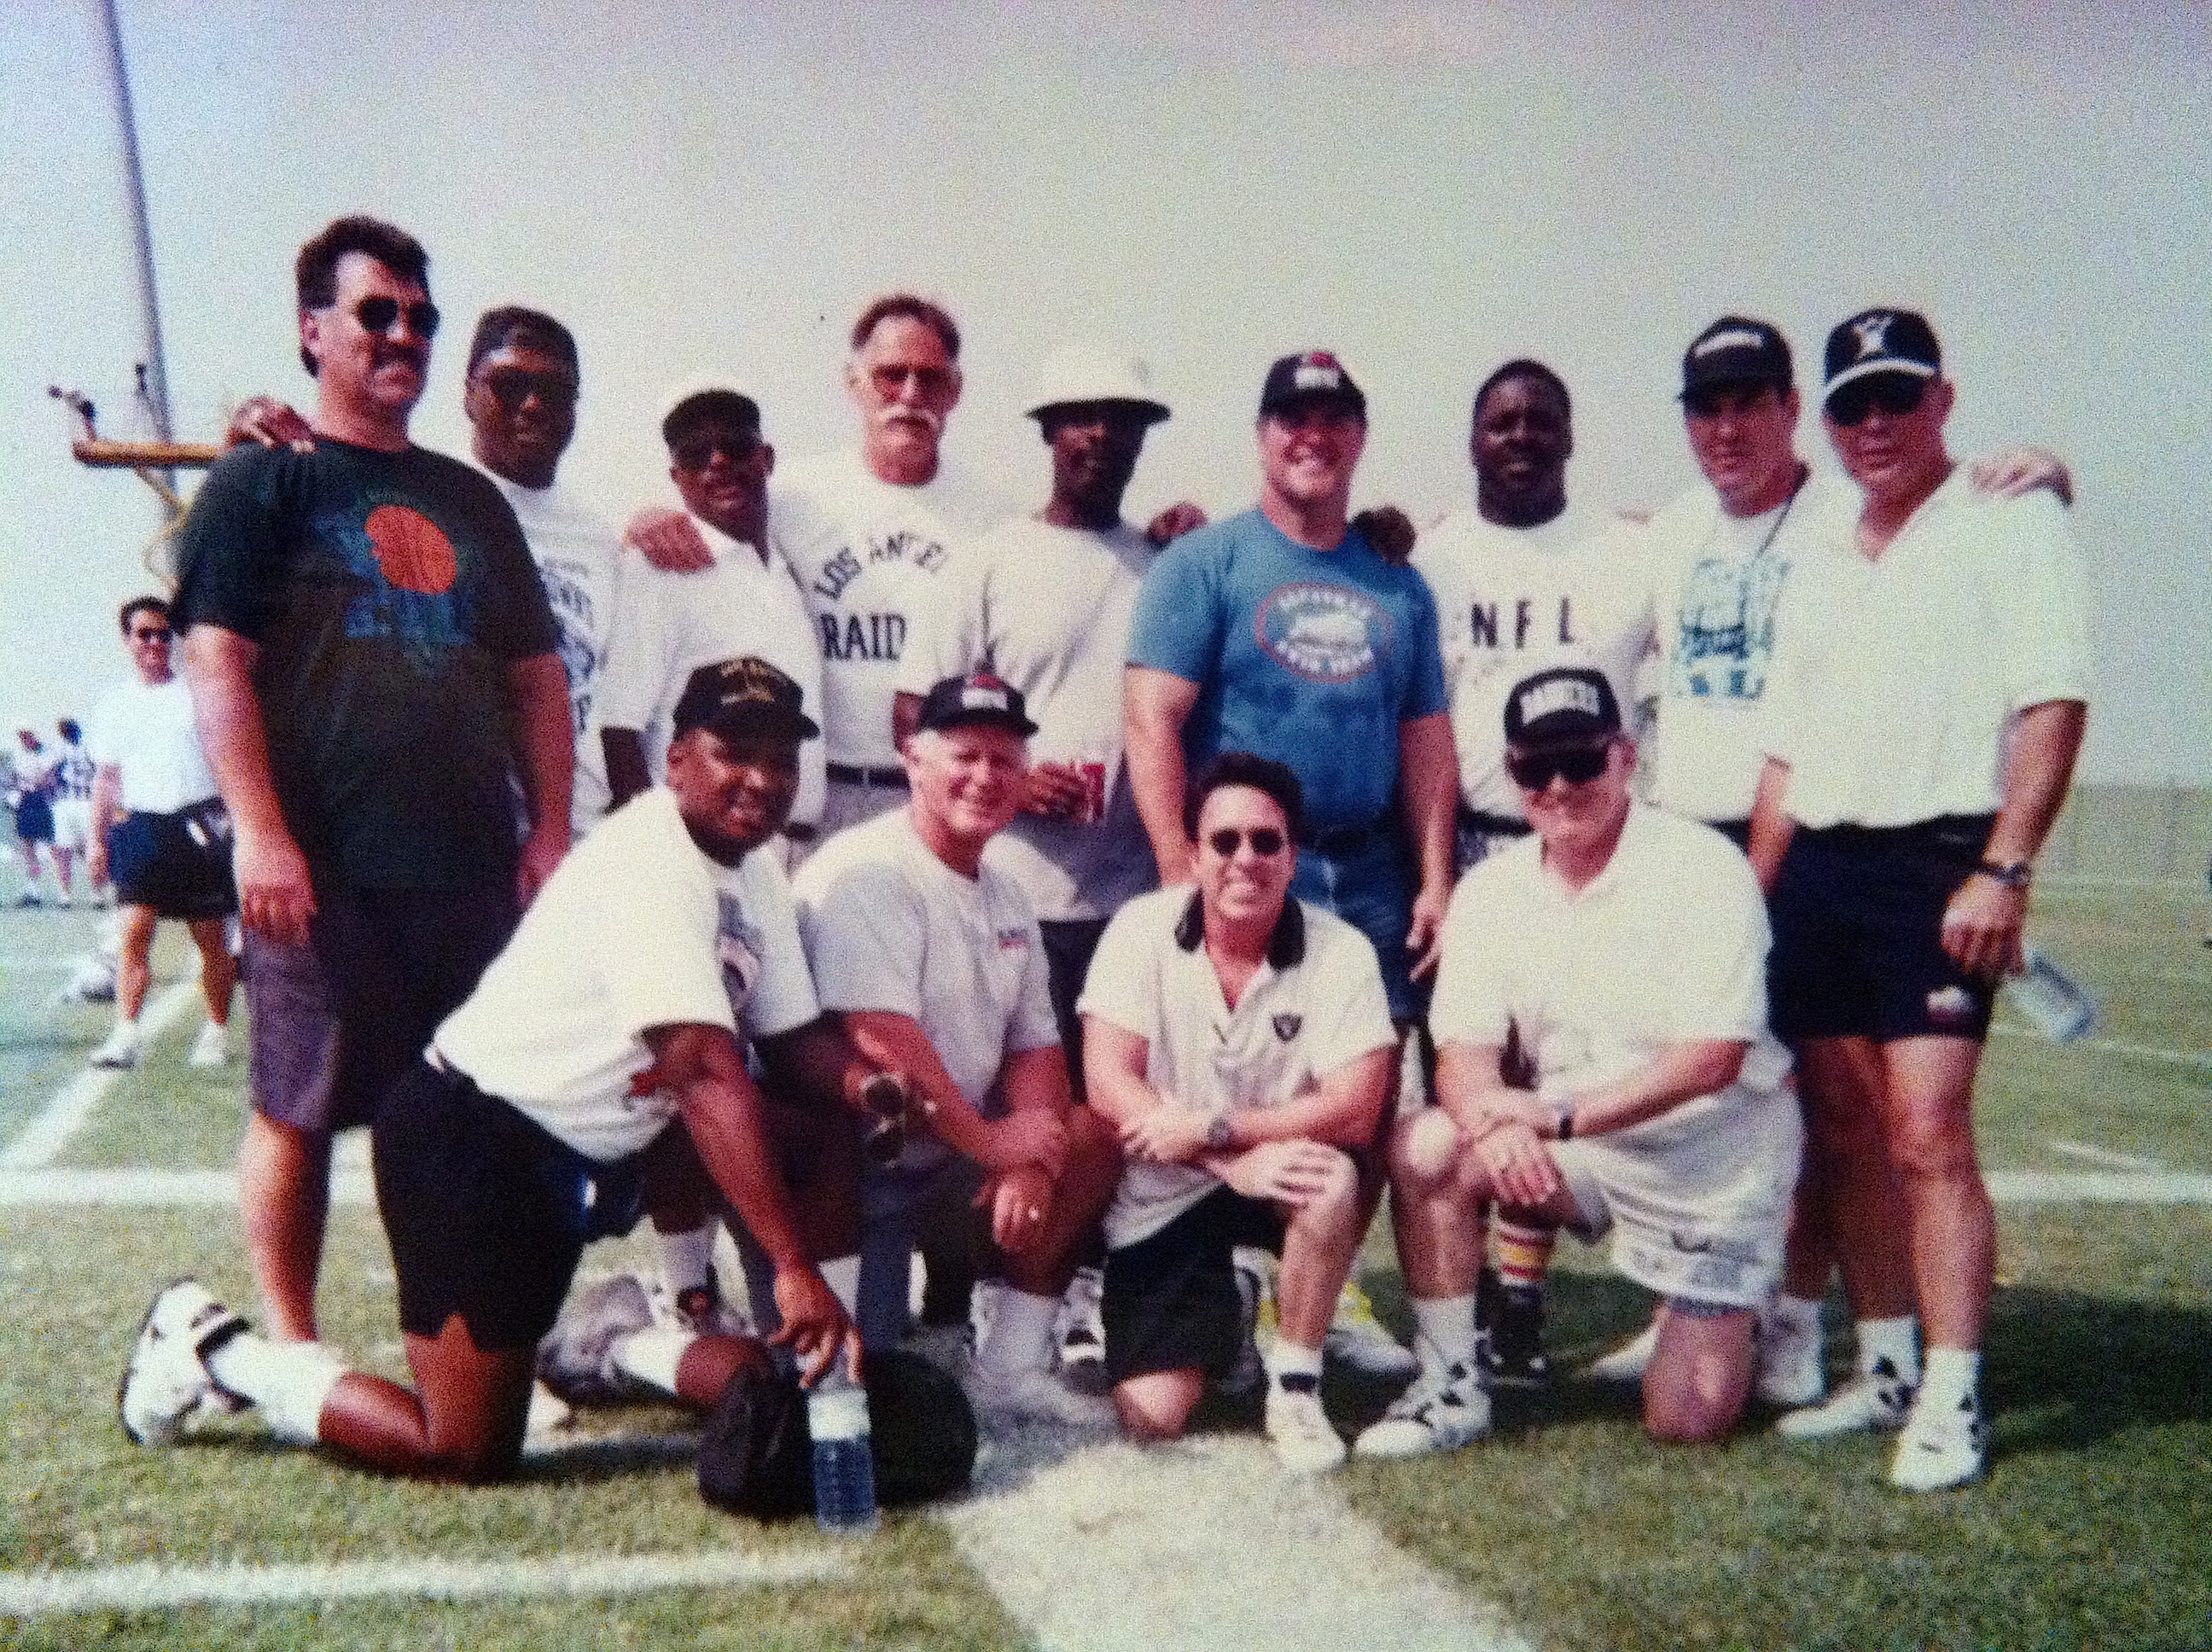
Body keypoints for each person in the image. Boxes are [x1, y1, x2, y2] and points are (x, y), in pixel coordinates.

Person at [118, 657, 870, 1487]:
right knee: (464, 1449)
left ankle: (709, 1359)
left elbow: (797, 1044)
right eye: (736, 752)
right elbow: (705, 1074)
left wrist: (868, 1088)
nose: (762, 779)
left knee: (816, 1133)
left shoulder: (754, 867)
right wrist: (792, 1268)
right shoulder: (651, 861)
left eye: (780, 758)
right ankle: (213, 1348)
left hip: (605, 1144)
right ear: (677, 758)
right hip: (480, 1146)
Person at [1595, 315, 2075, 1398]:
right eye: (1703, 407)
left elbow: (2040, 672)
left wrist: (2048, 471)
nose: (1724, 427)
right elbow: (1589, 548)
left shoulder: (1904, 516)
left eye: (1747, 402)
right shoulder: (1723, 535)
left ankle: (1839, 1342)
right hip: (1734, 849)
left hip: (1878, 844)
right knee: (1772, 1109)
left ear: (1786, 412)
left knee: (1881, 1127)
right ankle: (1736, 1316)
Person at [172, 215, 573, 1344]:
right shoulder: (263, 484)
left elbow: (537, 680)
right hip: (326, 870)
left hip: (467, 871)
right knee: (296, 1110)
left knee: (466, 1109)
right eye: (376, 313)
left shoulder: (472, 500)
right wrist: (260, 834)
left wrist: (547, 833)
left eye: (421, 318)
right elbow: (217, 659)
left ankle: (475, 1337)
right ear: (314, 331)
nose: (403, 335)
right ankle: (290, 1345)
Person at [1747, 309, 2089, 1492]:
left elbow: (2053, 700)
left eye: (1897, 396)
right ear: (1828, 420)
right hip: (1822, 870)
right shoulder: (1823, 547)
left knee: (1928, 1134)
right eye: (1851, 404)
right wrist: (1756, 898)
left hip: (1937, 862)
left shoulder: (2011, 514)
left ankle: (1953, 1393)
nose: (1874, 423)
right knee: (1842, 1134)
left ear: (1943, 398)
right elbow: (1786, 751)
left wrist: (2004, 865)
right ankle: (1883, 1365)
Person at [1363, 667, 1800, 1457]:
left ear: (1626, 757)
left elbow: (1715, 1058)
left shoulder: (1704, 868)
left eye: (1581, 762)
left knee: (1685, 1419)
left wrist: (1557, 1117)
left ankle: (1746, 1303)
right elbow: (1462, 1054)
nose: (1558, 786)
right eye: (1534, 768)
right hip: (1582, 1148)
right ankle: (1451, 1380)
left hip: (1709, 1162)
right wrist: (1493, 1124)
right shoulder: (1491, 889)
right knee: (1431, 1145)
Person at [1127, 348, 1453, 1380]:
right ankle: (1209, 1277)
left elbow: (1427, 740)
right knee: (1214, 1077)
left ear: (1359, 434)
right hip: (1240, 864)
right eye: (1290, 420)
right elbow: (1152, 716)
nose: (1310, 437)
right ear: (1262, 435)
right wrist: (1179, 858)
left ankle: (1324, 1292)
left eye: (1332, 419)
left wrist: (1437, 875)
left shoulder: (1398, 581)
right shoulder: (1205, 564)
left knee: (1361, 1095)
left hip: (1363, 869)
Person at [1406, 356, 1659, 1387]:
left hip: (1587, 837)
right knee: (1475, 1075)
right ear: (1471, 440)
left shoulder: (1630, 552)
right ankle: (1479, 1308)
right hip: (1470, 835)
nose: (1518, 436)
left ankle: (1523, 1297)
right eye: (1499, 422)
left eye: (1538, 421)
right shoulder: (1431, 556)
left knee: (1558, 1068)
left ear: (1569, 436)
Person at [791, 671, 1122, 1423]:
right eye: (964, 755)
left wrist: (1033, 1161)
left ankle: (1007, 1367)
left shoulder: (1005, 888)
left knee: (1091, 1136)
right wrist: (996, 1143)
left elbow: (1035, 1046)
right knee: (850, 1389)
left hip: (949, 1160)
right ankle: (619, 1351)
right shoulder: (870, 871)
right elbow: (882, 1042)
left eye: (1004, 761)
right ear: (913, 757)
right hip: (850, 1175)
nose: (984, 777)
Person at [1081, 753, 1396, 1472]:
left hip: (1273, 1167)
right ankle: (1236, 1304)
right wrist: (1223, 1158)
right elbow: (1108, 1082)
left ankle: (1295, 1387)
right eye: (1224, 842)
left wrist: (1224, 1130)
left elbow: (1356, 1109)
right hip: (1168, 1188)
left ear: (1293, 857)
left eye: (1267, 841)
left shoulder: (1341, 950)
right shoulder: (1139, 928)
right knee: (1153, 1415)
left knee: (1332, 1179)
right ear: (1192, 853)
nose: (1245, 859)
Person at [628, 295, 1010, 836]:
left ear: (955, 390)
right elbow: (708, 504)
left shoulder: (993, 518)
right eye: (889, 376)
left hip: (937, 796)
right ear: (854, 383)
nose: (909, 395)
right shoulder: (796, 496)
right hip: (813, 795)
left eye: (929, 378)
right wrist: (648, 520)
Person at [598, 381, 826, 841]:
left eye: (735, 446)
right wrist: (654, 849)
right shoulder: (658, 569)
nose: (718, 462)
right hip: (704, 844)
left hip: (799, 841)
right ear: (676, 477)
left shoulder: (787, 571)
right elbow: (619, 728)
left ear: (766, 458)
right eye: (695, 454)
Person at [80, 597, 239, 1070]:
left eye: (162, 634)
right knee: (133, 932)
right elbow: (105, 779)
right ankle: (125, 1036)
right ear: (127, 640)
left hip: (197, 828)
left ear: (174, 639)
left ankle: (215, 1031)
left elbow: (228, 763)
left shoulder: (196, 695)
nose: (153, 643)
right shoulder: (114, 703)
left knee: (210, 940)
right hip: (140, 828)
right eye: (143, 634)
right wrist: (96, 840)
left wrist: (235, 822)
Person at [47, 718, 97, 905]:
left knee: (88, 850)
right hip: (66, 803)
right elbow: (49, 775)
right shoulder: (60, 751)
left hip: (85, 802)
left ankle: (96, 892)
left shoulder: (89, 749)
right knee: (64, 850)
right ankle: (66, 894)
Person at [9, 730, 56, 905]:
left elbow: (47, 778)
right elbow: (15, 778)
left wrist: (33, 783)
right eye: (21, 736)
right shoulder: (19, 756)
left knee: (55, 845)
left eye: (27, 736)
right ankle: (33, 888)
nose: (24, 739)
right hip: (25, 800)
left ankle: (65, 890)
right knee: (28, 845)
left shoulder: (45, 753)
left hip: (42, 801)